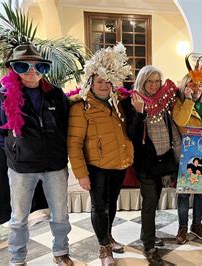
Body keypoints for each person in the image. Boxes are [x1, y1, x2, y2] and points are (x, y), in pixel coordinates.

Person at [0, 43, 73, 266]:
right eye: (23, 66)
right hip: (21, 168)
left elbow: (67, 126)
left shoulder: (55, 94)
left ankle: (61, 251)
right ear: (13, 68)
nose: (31, 71)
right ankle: (17, 258)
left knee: (60, 215)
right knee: (18, 219)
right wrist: (16, 149)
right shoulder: (4, 96)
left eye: (38, 66)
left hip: (55, 165)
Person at [67, 43, 133, 265]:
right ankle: (104, 248)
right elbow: (74, 144)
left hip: (118, 164)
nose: (104, 86)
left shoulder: (118, 104)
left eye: (107, 82)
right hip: (95, 167)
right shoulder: (81, 108)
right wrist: (81, 174)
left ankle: (108, 236)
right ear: (91, 83)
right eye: (99, 82)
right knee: (99, 207)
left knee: (112, 204)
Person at [125, 65, 181, 264]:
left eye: (158, 81)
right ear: (142, 81)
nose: (154, 85)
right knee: (149, 202)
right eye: (150, 81)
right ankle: (149, 245)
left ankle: (147, 235)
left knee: (155, 199)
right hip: (144, 163)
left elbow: (170, 127)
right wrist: (139, 112)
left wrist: (177, 154)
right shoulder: (133, 100)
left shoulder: (162, 101)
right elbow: (131, 133)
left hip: (162, 160)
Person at [172, 54, 202, 244]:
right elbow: (180, 120)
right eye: (192, 85)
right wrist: (189, 101)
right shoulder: (179, 104)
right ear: (185, 86)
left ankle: (196, 224)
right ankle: (182, 227)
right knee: (184, 193)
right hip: (185, 155)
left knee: (201, 191)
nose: (196, 88)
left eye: (199, 85)